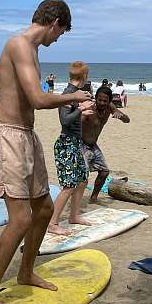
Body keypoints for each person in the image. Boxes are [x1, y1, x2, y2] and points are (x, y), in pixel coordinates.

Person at [0, 0, 91, 304]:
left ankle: (26, 271)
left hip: (26, 136)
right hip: (9, 136)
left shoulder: (33, 50)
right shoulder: (19, 44)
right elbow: (39, 99)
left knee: (42, 209)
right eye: (61, 33)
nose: (58, 39)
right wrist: (74, 96)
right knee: (20, 219)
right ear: (54, 22)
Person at [49, 62, 95, 235]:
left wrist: (81, 114)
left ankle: (74, 215)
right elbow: (65, 120)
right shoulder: (69, 94)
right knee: (68, 186)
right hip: (66, 144)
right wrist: (81, 108)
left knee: (83, 180)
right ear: (84, 77)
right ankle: (53, 223)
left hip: (75, 143)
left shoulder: (75, 95)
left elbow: (72, 117)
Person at [80, 86, 130, 203]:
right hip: (81, 144)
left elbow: (128, 120)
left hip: (93, 144)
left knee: (104, 172)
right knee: (83, 174)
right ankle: (74, 198)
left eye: (105, 101)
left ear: (109, 101)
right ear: (96, 98)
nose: (102, 103)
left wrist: (121, 115)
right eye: (100, 100)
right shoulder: (89, 109)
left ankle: (93, 198)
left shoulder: (110, 107)